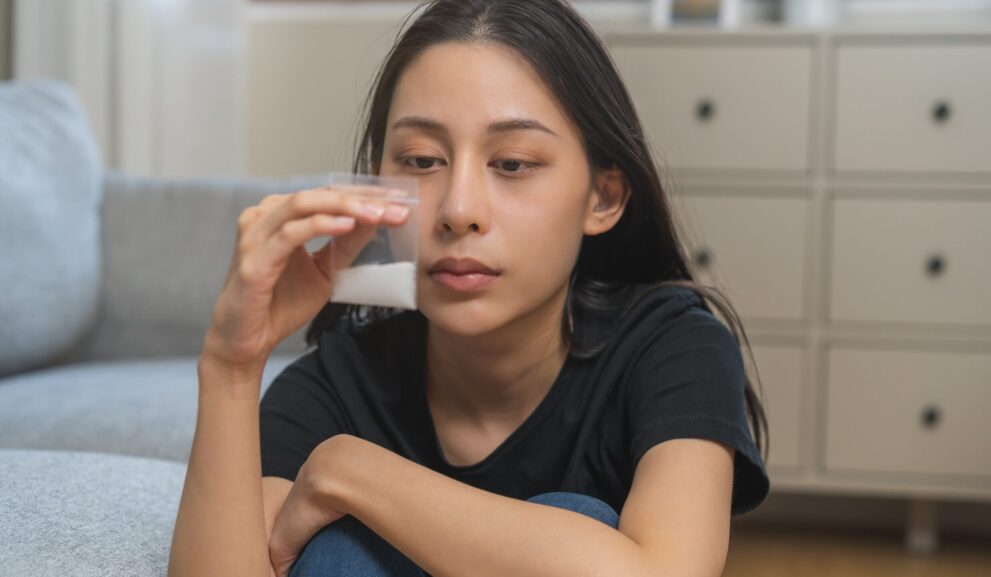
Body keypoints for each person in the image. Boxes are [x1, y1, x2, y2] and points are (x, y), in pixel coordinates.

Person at [167, 1, 770, 576]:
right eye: (423, 160)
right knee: (342, 553)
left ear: (602, 197)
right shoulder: (341, 383)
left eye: (511, 164)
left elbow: (663, 571)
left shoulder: (673, 346)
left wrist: (349, 472)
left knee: (577, 526)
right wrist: (231, 367)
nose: (458, 211)